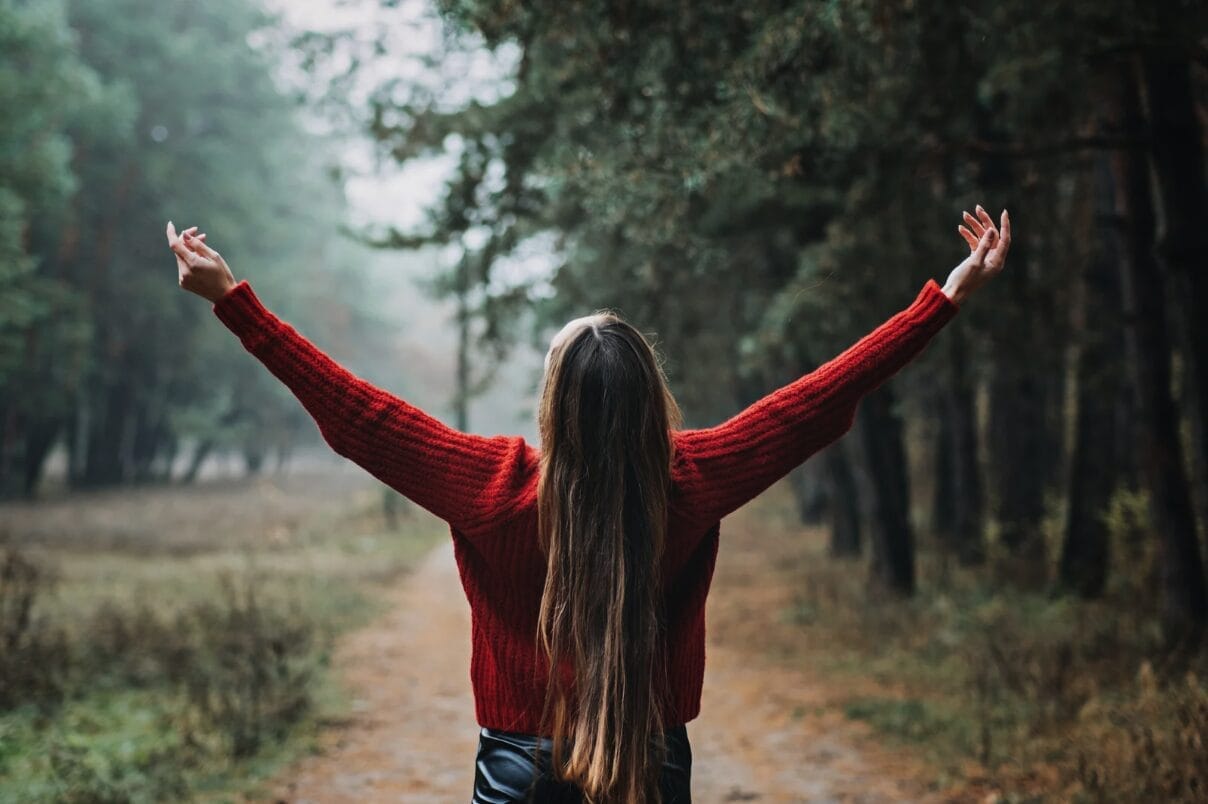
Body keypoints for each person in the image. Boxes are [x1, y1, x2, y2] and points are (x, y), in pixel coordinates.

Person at [165, 205, 1010, 803]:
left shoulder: (492, 488)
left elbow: (358, 414)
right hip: (652, 765)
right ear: (651, 402)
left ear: (553, 403)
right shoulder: (689, 479)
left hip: (518, 771)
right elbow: (816, 400)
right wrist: (942, 302)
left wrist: (236, 302)